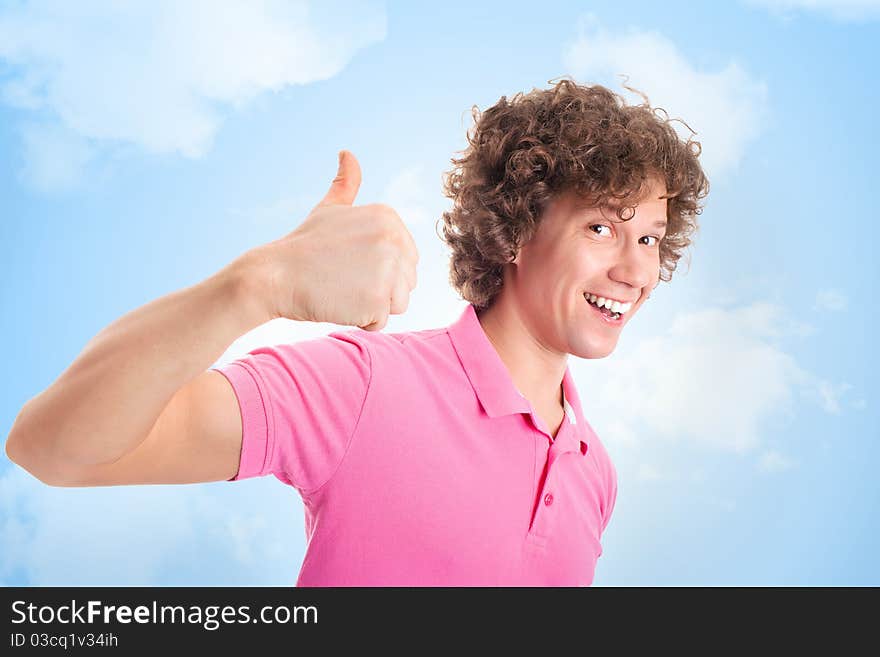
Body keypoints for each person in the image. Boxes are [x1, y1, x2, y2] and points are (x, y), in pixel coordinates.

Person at [5, 77, 709, 586]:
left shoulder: (595, 471)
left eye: (649, 239)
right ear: (519, 229)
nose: (634, 269)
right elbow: (53, 449)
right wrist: (257, 284)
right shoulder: (364, 385)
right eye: (601, 228)